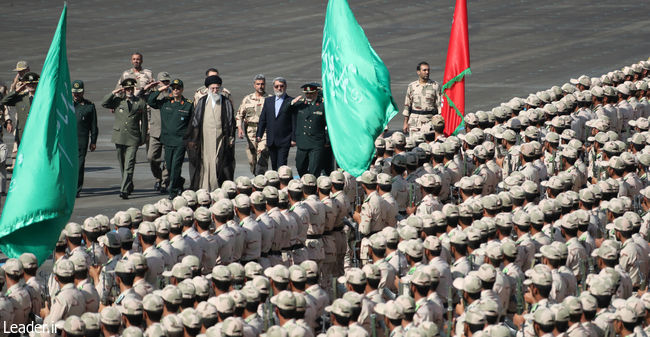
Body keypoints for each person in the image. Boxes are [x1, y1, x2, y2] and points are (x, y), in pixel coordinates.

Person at [185, 75, 236, 191]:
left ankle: (216, 188)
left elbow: (229, 122)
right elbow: (196, 121)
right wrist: (193, 139)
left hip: (220, 138)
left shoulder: (226, 102)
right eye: (212, 88)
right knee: (205, 162)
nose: (215, 91)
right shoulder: (202, 101)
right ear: (208, 88)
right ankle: (204, 188)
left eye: (217, 88)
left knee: (218, 162)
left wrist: (230, 138)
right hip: (205, 138)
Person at [146, 79, 193, 199]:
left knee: (176, 166)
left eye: (178, 88)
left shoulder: (188, 104)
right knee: (170, 168)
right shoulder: (166, 102)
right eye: (173, 88)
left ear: (182, 89)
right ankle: (179, 182)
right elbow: (150, 101)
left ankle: (172, 191)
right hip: (167, 140)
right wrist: (160, 89)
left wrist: (190, 140)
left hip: (180, 141)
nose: (176, 90)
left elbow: (192, 123)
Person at [101, 77, 148, 199]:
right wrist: (114, 92)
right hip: (120, 136)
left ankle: (124, 190)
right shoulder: (118, 101)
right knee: (122, 164)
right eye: (127, 88)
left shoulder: (140, 102)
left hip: (133, 137)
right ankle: (128, 183)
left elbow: (144, 122)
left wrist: (143, 138)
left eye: (131, 88)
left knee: (129, 164)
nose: (129, 91)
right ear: (124, 89)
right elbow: (104, 103)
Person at [256, 77, 295, 170]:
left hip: (284, 139)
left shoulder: (291, 101)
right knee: (274, 165)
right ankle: (276, 183)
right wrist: (259, 134)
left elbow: (294, 121)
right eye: (276, 86)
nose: (279, 88)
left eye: (281, 86)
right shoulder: (268, 101)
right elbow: (263, 119)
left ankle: (282, 182)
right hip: (271, 139)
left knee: (281, 165)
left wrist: (294, 139)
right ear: (273, 87)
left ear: (285, 87)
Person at [236, 74, 270, 174]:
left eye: (262, 84)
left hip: (264, 131)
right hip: (250, 131)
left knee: (262, 154)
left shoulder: (270, 99)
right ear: (254, 85)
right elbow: (239, 115)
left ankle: (261, 179)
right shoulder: (247, 99)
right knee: (252, 159)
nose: (260, 86)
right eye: (258, 84)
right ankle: (256, 175)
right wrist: (239, 128)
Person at [292, 83, 328, 177]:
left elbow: (329, 125)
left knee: (314, 170)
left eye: (311, 93)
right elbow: (285, 111)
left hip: (316, 143)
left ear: (316, 93)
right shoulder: (300, 104)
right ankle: (306, 182)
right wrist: (292, 103)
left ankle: (311, 187)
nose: (309, 95)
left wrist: (327, 139)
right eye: (307, 94)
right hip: (303, 142)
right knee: (300, 166)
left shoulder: (322, 106)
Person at [72, 80, 98, 197]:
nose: (76, 95)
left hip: (81, 140)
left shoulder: (89, 106)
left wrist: (93, 141)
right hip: (67, 140)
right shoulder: (66, 104)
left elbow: (93, 126)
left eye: (79, 92)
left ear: (83, 92)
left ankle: (76, 189)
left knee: (79, 165)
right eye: (74, 93)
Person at [148, 72, 172, 193]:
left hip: (169, 132)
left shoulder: (173, 94)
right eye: (163, 82)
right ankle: (158, 177)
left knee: (168, 160)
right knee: (152, 157)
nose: (166, 84)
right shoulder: (153, 94)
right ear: (158, 82)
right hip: (156, 131)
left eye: (167, 81)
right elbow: (147, 100)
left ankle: (164, 183)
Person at [402, 62, 442, 135]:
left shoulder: (435, 86)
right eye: (424, 70)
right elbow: (407, 105)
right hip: (414, 121)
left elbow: (439, 105)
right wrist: (405, 122)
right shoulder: (412, 86)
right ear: (418, 72)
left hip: (429, 121)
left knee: (428, 145)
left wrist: (440, 122)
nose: (427, 72)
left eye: (428, 70)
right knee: (414, 143)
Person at [0, 72, 39, 145]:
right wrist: (17, 91)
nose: (31, 85)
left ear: (37, 84)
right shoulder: (21, 98)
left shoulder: (43, 98)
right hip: (23, 133)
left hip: (38, 132)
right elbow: (4, 101)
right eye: (28, 83)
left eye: (34, 83)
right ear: (25, 84)